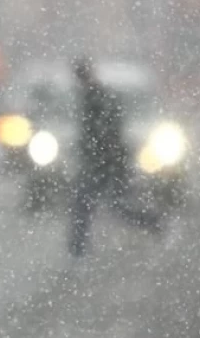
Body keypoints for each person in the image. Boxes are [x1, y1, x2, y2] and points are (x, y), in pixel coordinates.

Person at [67, 57, 162, 258]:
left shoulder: (97, 98)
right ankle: (78, 249)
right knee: (98, 206)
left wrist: (106, 155)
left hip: (106, 164)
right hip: (103, 163)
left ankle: (154, 222)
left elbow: (108, 132)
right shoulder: (91, 97)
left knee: (102, 206)